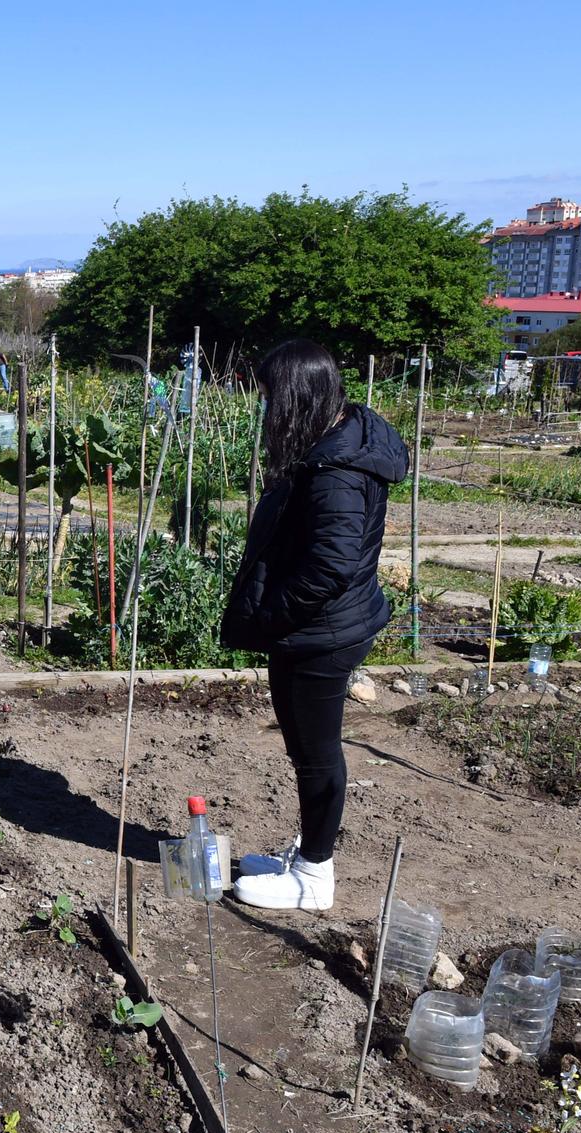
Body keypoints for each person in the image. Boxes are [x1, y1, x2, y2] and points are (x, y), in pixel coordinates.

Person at [220, 339, 408, 911]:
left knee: (317, 752)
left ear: (297, 395)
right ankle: (308, 852)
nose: (267, 408)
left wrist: (273, 617)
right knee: (310, 749)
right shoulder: (340, 440)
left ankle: (314, 878)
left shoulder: (336, 472)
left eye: (273, 396)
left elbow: (331, 565)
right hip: (324, 625)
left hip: (320, 632)